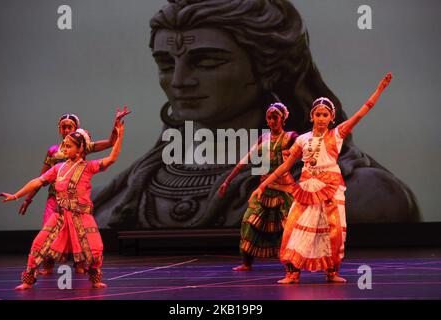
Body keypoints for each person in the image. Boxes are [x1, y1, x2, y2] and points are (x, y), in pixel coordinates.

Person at [93, 0, 419, 231]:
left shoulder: (361, 194)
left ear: (268, 69)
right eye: (166, 64)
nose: (179, 81)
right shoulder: (111, 202)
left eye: (207, 62)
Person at [250, 73, 393, 284]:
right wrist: (263, 184)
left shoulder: (337, 135)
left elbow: (362, 113)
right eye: (318, 114)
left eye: (325, 114)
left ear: (331, 118)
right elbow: (285, 166)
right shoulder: (302, 140)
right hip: (307, 187)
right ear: (312, 116)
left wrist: (379, 90)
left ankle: (332, 272)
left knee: (332, 230)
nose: (321, 118)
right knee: (296, 228)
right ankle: (293, 272)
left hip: (331, 188)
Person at [0, 114, 127, 290]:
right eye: (64, 145)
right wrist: (16, 195)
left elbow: (111, 158)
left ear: (80, 148)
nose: (64, 149)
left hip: (81, 216)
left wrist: (119, 136)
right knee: (39, 244)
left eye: (68, 146)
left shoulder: (88, 167)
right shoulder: (58, 168)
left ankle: (95, 278)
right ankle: (28, 280)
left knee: (95, 248)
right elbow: (38, 181)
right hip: (59, 215)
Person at [218, 103, 298, 271]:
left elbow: (307, 152)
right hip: (265, 188)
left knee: (288, 227)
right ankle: (247, 262)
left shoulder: (291, 137)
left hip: (284, 189)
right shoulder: (264, 138)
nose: (271, 121)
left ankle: (291, 264)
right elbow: (245, 160)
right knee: (249, 221)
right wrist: (227, 181)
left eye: (275, 117)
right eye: (269, 118)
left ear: (282, 118)